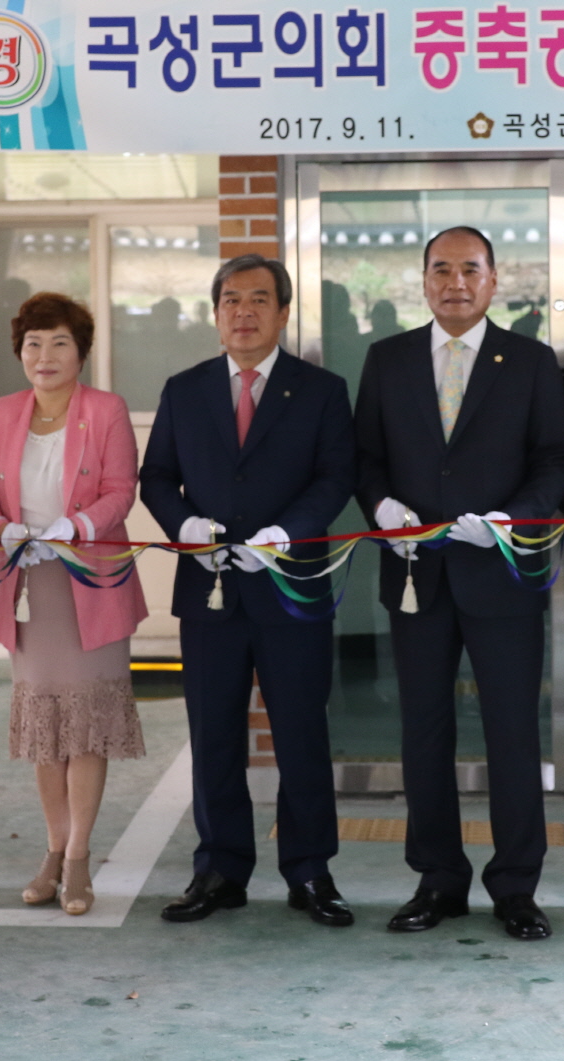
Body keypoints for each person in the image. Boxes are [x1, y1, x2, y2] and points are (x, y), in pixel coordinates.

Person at [354, 226, 564, 941]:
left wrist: (513, 520)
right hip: (415, 574)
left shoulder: (531, 361)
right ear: (423, 280)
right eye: (441, 269)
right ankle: (437, 879)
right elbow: (366, 456)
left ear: (493, 280)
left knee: (512, 731)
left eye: (470, 269)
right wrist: (381, 505)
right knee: (423, 730)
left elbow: (556, 460)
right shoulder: (387, 359)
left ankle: (516, 885)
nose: (455, 282)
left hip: (501, 573)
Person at [140, 254, 357, 927]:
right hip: (208, 592)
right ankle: (220, 868)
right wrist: (185, 526)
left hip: (290, 587)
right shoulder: (185, 389)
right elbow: (156, 477)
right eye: (231, 300)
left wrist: (285, 533)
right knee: (213, 736)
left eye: (259, 299)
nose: (244, 312)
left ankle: (310, 870)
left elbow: (335, 476)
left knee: (301, 733)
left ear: (283, 312)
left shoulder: (320, 390)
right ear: (215, 313)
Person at [0, 293, 146, 916]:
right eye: (33, 344)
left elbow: (121, 489)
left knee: (86, 728)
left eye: (59, 343)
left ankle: (77, 861)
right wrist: (0, 530)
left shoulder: (105, 410)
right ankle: (52, 848)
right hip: (27, 585)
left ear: (81, 352)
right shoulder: (2, 413)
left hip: (90, 583)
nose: (45, 356)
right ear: (20, 351)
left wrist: (78, 526)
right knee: (45, 731)